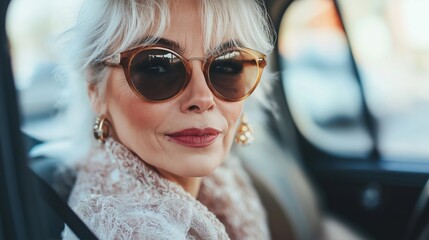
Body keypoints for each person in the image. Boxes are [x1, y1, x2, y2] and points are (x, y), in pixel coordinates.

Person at [57, 0, 275, 239]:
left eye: (226, 66)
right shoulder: (125, 229)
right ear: (95, 90)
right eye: (158, 67)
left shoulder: (228, 188)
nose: (203, 98)